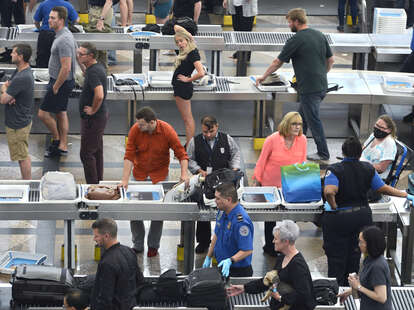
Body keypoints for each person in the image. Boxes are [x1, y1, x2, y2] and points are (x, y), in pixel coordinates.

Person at [322, 136, 414, 286]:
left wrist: (333, 205)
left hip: (339, 220)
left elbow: (329, 191)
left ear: (343, 153)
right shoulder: (368, 168)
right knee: (355, 254)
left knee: (336, 258)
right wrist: (405, 194)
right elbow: (382, 188)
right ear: (360, 153)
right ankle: (351, 293)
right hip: (361, 218)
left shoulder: (334, 170)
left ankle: (335, 295)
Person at [256, 8, 334, 161]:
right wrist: (322, 74)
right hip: (321, 85)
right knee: (301, 120)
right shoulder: (319, 35)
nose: (289, 25)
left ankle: (323, 153)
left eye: (290, 22)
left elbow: (277, 62)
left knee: (313, 120)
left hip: (309, 88)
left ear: (297, 22)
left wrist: (263, 76)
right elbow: (330, 60)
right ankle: (298, 148)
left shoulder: (296, 39)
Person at [118, 106, 190, 257]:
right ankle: (138, 244)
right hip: (139, 175)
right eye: (138, 124)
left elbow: (181, 154)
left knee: (158, 213)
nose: (138, 127)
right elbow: (129, 156)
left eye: (142, 124)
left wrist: (184, 174)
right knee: (134, 211)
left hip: (160, 175)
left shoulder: (167, 131)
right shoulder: (135, 130)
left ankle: (153, 246)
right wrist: (125, 179)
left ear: (152, 122)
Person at [227, 220, 316, 310]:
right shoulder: (282, 258)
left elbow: (304, 296)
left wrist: (280, 298)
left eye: (276, 239)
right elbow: (268, 280)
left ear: (286, 241)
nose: (273, 241)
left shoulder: (298, 266)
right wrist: (245, 288)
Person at [253, 112, 307, 257]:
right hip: (270, 185)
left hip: (291, 186)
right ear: (286, 124)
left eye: (299, 124)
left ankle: (287, 246)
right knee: (270, 218)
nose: (297, 127)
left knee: (291, 217)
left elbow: (302, 162)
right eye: (294, 124)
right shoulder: (272, 139)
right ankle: (270, 247)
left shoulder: (302, 140)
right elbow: (262, 161)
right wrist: (257, 181)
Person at [187, 115, 241, 253]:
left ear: (217, 126)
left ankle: (223, 242)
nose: (208, 134)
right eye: (205, 132)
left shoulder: (226, 139)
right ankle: (203, 242)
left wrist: (233, 170)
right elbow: (189, 159)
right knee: (202, 211)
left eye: (211, 131)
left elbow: (235, 154)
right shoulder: (195, 141)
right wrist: (198, 170)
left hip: (224, 182)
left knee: (224, 211)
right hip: (204, 182)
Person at [37, 6, 76, 158]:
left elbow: (66, 68)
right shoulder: (64, 34)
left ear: (61, 20)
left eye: (53, 18)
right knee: (61, 112)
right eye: (49, 17)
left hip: (60, 82)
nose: (49, 20)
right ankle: (63, 145)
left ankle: (57, 139)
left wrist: (56, 86)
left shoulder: (64, 39)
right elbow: (77, 53)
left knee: (43, 114)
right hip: (60, 81)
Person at [90, 218, 144, 310]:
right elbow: (139, 280)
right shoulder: (129, 251)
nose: (94, 239)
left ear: (106, 236)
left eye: (96, 236)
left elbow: (105, 298)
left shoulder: (107, 262)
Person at [202, 183, 254, 277]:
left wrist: (230, 260)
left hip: (238, 271)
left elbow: (247, 250)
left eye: (218, 198)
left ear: (228, 200)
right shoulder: (222, 211)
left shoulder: (241, 222)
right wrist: (208, 256)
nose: (215, 201)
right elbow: (217, 235)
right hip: (222, 266)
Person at [0, 44, 34, 180]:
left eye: (13, 53)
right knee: (22, 154)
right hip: (19, 119)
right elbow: (9, 86)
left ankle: (27, 184)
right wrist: (9, 92)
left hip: (18, 123)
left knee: (22, 156)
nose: (11, 55)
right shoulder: (19, 71)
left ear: (20, 57)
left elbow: (3, 99)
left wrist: (5, 91)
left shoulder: (22, 77)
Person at [339, 226, 392, 310]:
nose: (359, 245)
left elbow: (381, 297)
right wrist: (349, 292)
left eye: (361, 242)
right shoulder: (369, 259)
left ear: (371, 244)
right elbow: (369, 284)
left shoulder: (377, 267)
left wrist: (358, 287)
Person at [77, 42, 108, 184]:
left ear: (90, 56)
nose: (78, 56)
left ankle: (92, 186)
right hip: (98, 117)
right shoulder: (95, 67)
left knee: (86, 154)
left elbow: (99, 94)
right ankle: (98, 182)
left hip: (94, 119)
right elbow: (87, 73)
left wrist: (93, 110)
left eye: (81, 54)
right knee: (96, 151)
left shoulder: (94, 72)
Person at [172, 24, 205, 145]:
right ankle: (189, 145)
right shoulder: (185, 50)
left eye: (181, 41)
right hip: (179, 87)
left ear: (187, 40)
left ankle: (189, 146)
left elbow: (201, 73)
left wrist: (188, 80)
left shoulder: (192, 53)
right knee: (187, 118)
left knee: (187, 119)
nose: (180, 44)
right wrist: (188, 36)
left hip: (183, 88)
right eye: (177, 42)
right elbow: (176, 26)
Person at [33, 0, 78, 68]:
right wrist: (69, 25)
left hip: (45, 35)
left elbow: (36, 21)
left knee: (42, 61)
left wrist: (40, 29)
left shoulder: (43, 4)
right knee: (61, 60)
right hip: (61, 34)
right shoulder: (68, 5)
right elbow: (76, 19)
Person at [360, 115, 397, 180]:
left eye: (381, 127)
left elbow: (381, 169)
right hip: (362, 169)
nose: (378, 128)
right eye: (377, 125)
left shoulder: (389, 144)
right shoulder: (373, 136)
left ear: (389, 130)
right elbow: (361, 149)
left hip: (374, 177)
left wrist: (361, 165)